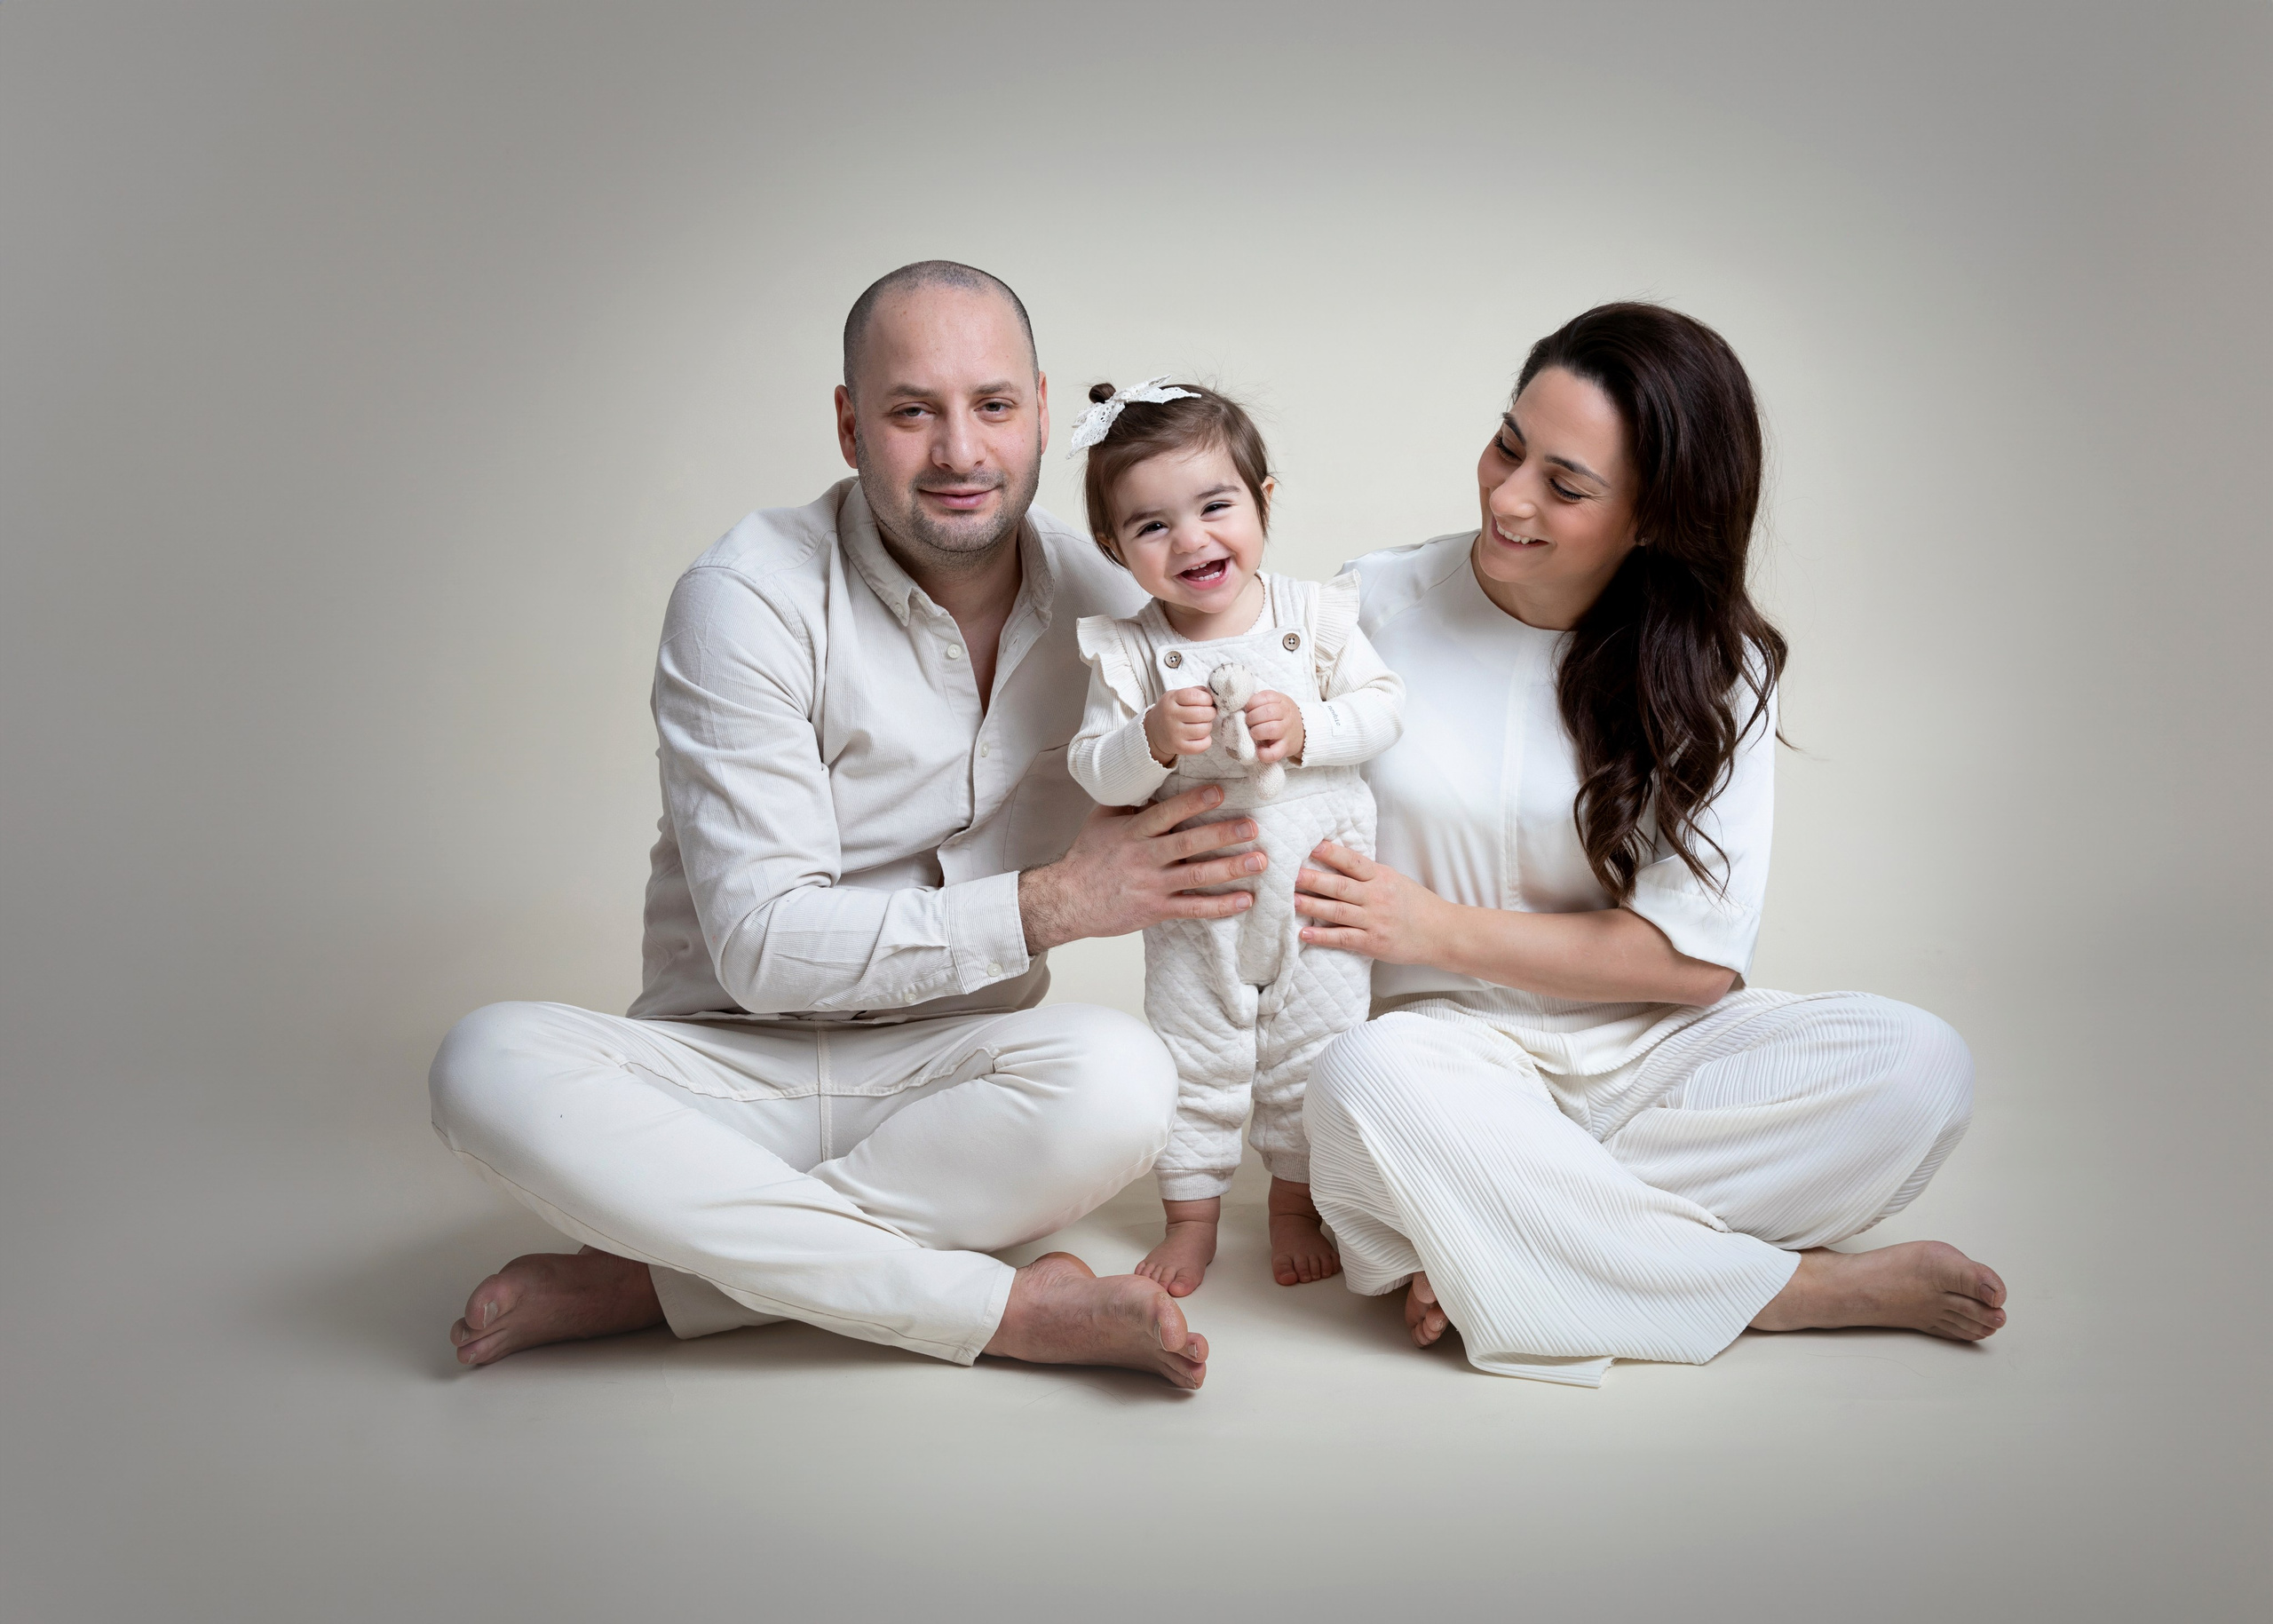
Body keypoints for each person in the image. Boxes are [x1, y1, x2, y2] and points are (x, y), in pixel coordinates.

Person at [427, 261, 1275, 1389]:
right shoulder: (747, 594)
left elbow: (1273, 691)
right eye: (911, 410)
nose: (961, 452)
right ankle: (1002, 1307)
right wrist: (1057, 900)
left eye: (993, 406)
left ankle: (670, 1280)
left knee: (1122, 1077)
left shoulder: (1112, 603)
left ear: (1037, 410)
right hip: (722, 1073)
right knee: (484, 1061)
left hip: (952, 1088)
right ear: (848, 425)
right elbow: (765, 948)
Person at [1293, 302, 2008, 1385]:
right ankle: (1785, 1288)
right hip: (1443, 1059)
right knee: (1362, 1076)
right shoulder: (1365, 607)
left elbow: (1691, 962)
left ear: (1655, 517)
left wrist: (1431, 923)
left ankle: (1507, 1227)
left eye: (1565, 485)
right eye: (1506, 443)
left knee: (1918, 1065)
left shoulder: (1720, 668)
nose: (1506, 493)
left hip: (1647, 1053)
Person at [1063, 380, 1404, 1296]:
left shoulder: (1316, 619)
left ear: (1262, 497)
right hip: (1197, 902)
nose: (1192, 540)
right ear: (1114, 546)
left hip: (1315, 886)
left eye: (1215, 505)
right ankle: (1192, 1215)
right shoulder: (1129, 653)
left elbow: (1382, 709)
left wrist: (1304, 726)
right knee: (1195, 1050)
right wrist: (1148, 742)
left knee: (1316, 1044)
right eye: (1151, 526)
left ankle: (1294, 1200)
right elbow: (1092, 768)